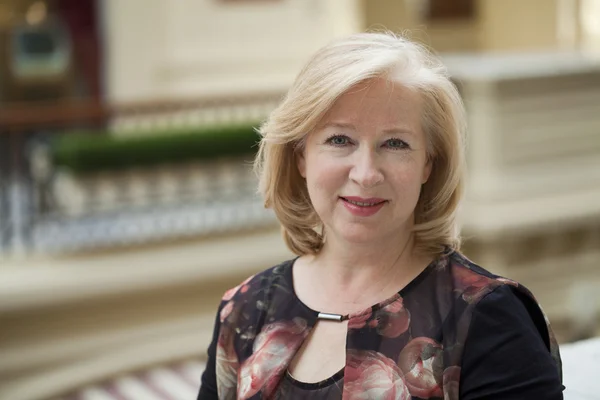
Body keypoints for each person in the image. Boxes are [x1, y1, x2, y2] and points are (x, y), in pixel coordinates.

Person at [197, 32, 564, 400]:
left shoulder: (488, 318)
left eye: (395, 143)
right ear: (300, 157)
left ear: (428, 166)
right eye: (340, 139)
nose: (366, 173)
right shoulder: (242, 311)